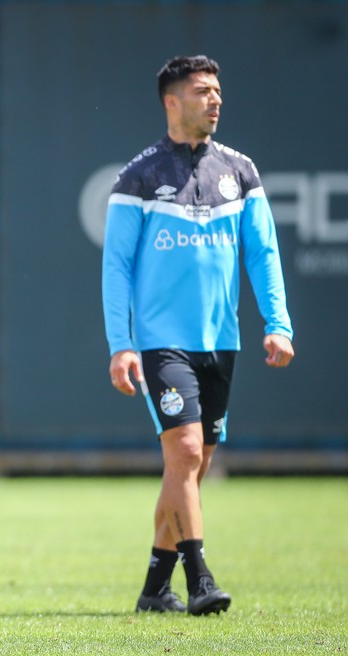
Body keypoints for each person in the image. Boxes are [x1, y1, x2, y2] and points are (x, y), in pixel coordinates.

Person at [102, 55, 294, 616]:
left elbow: (262, 253)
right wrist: (122, 343)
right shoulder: (137, 177)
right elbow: (115, 267)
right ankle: (200, 578)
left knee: (191, 467)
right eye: (203, 91)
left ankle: (155, 589)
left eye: (218, 91)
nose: (216, 100)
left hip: (222, 342)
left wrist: (278, 324)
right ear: (172, 101)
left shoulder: (241, 171)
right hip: (164, 344)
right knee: (185, 453)